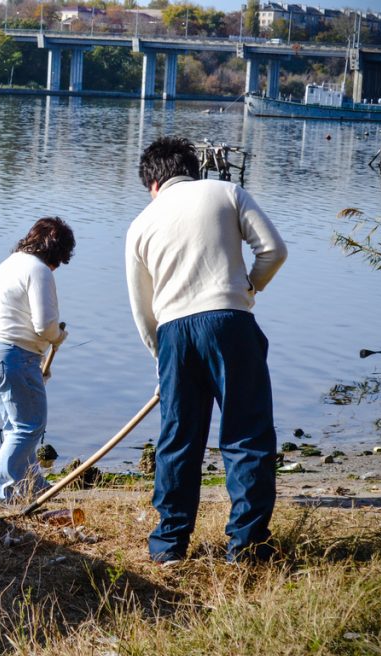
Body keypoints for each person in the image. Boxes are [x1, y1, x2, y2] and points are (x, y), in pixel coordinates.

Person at [125, 137, 288, 563]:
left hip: (174, 333)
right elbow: (273, 250)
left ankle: (169, 548)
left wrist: (161, 358)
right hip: (230, 321)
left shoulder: (141, 223)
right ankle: (247, 547)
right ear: (192, 169)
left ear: (153, 183)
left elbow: (142, 311)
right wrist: (251, 286)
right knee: (246, 435)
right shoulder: (226, 191)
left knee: (177, 440)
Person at [0, 217, 74, 508]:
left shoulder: (10, 264)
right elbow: (44, 325)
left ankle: (31, 483)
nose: (59, 266)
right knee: (29, 426)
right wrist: (58, 336)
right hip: (12, 355)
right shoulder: (39, 270)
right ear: (56, 252)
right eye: (62, 259)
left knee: (15, 424)